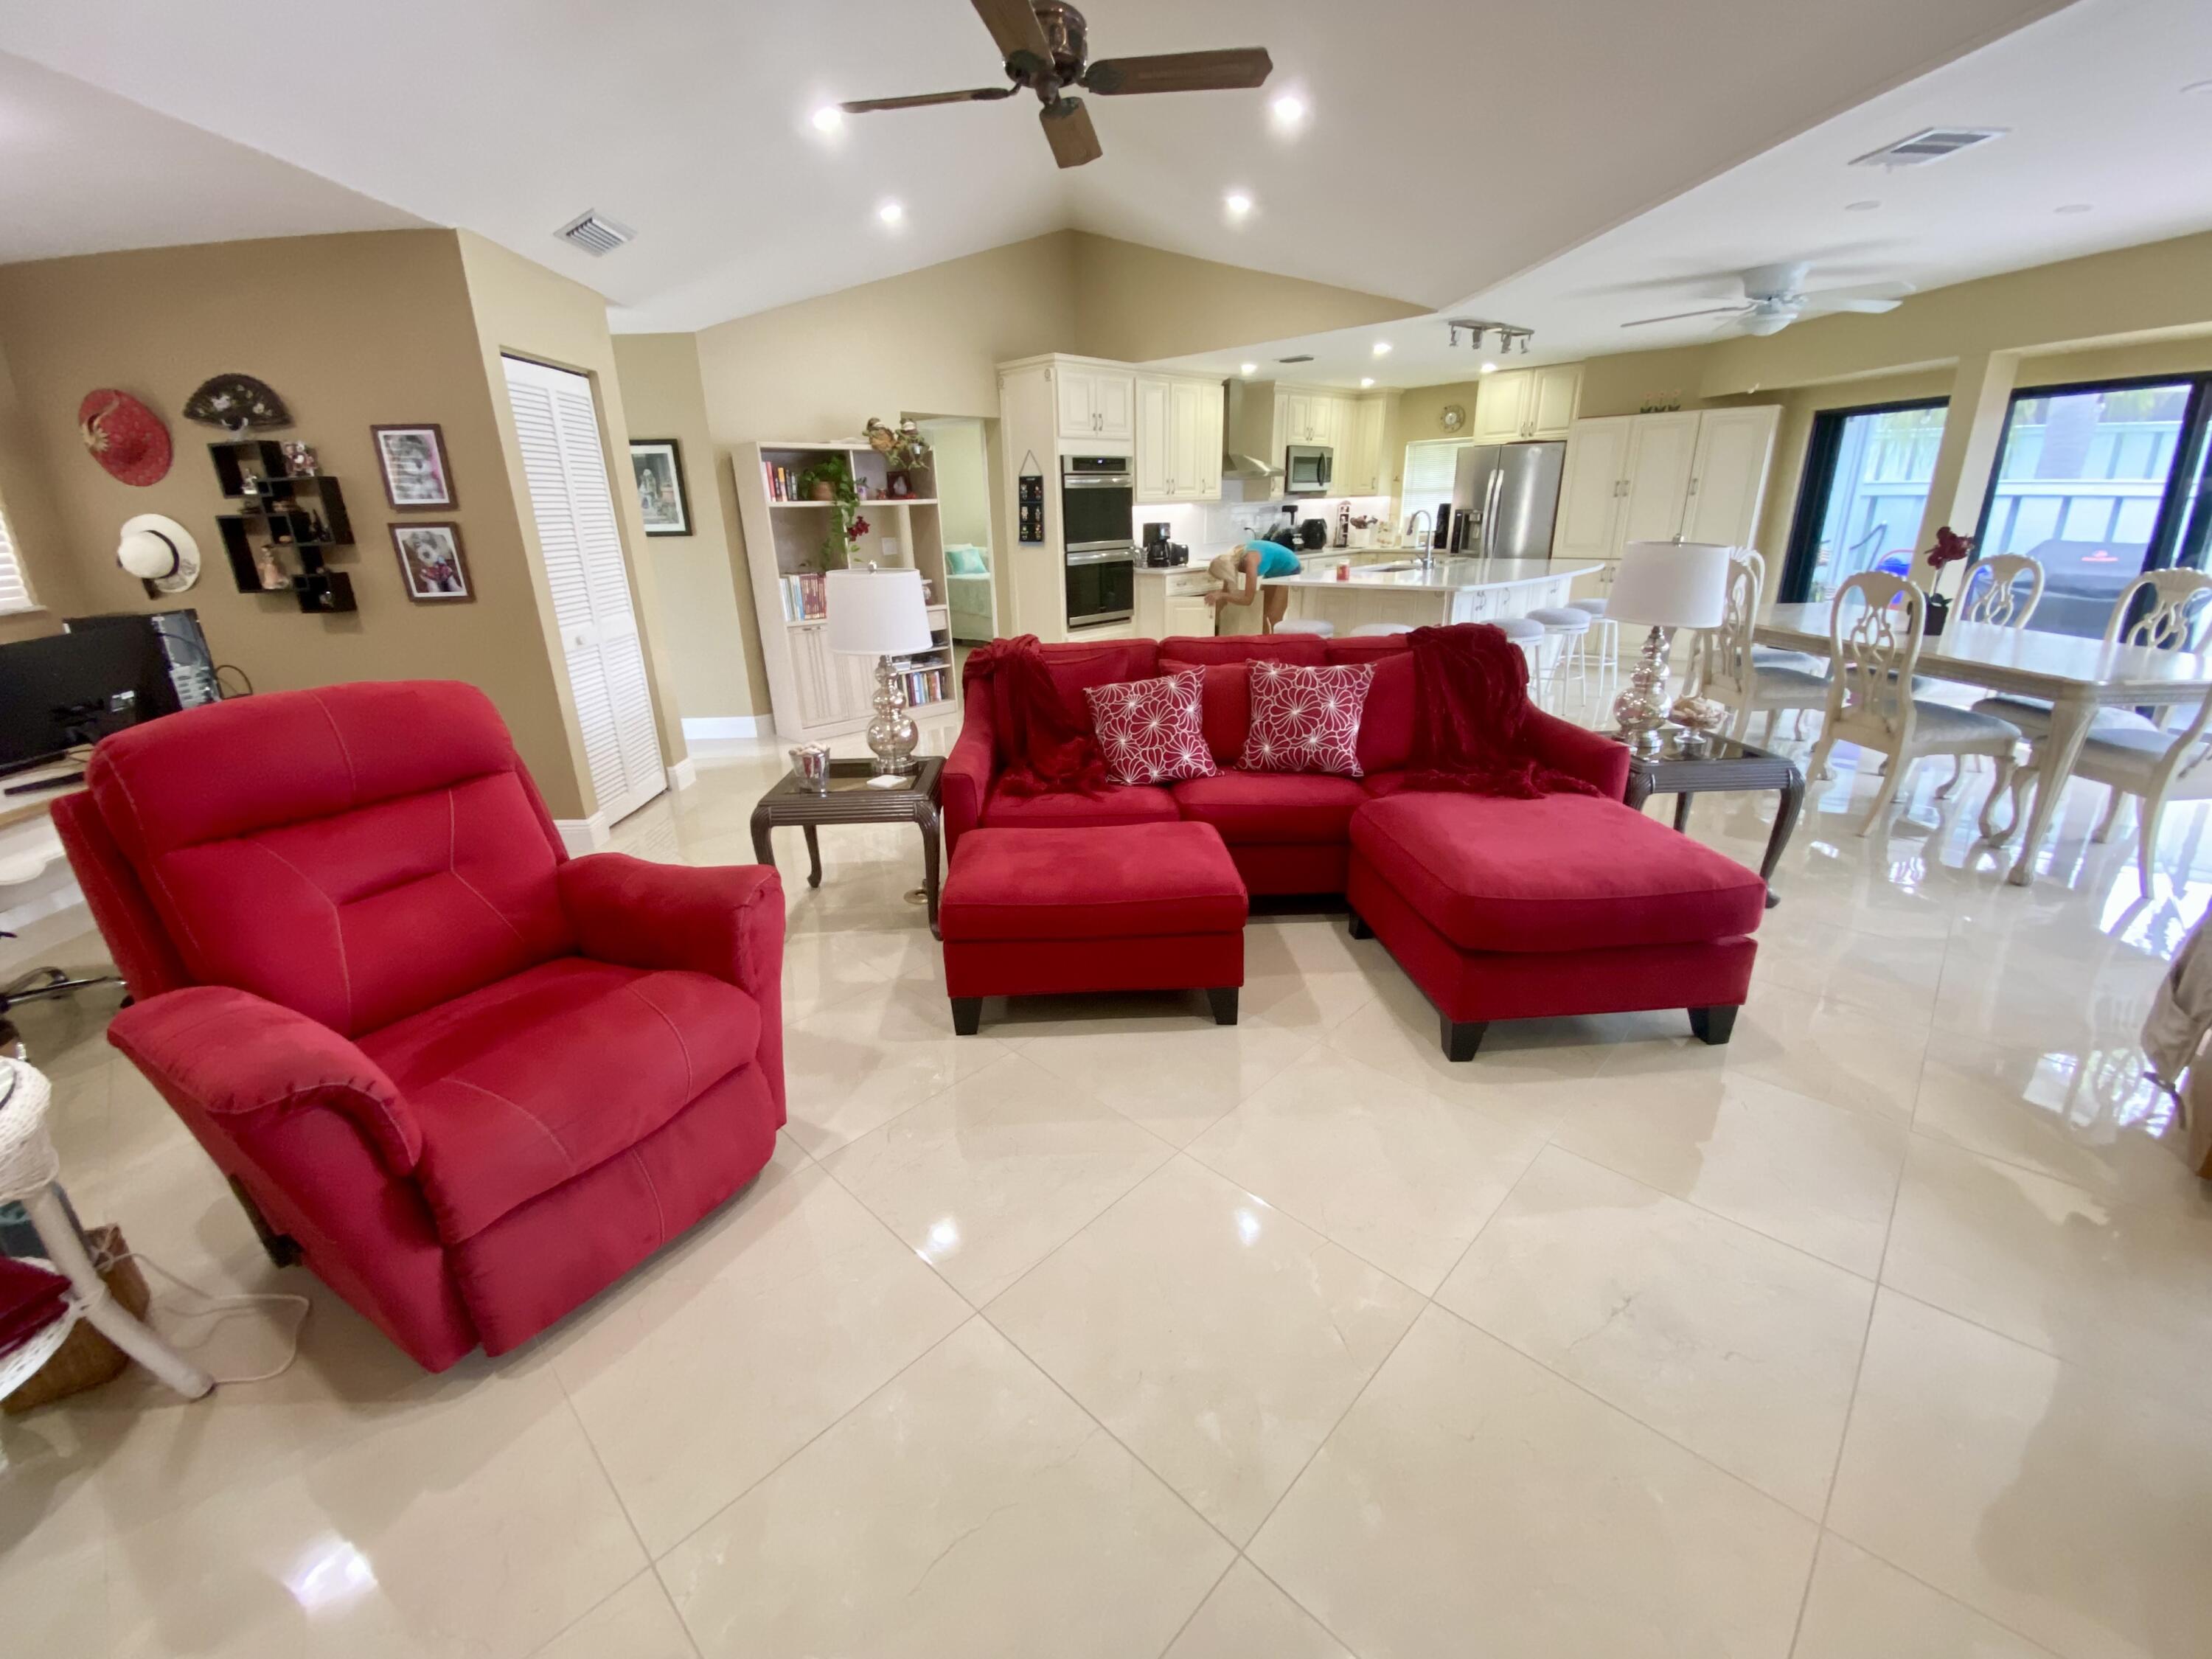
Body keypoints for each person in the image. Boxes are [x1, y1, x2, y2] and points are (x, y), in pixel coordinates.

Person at [1206, 538, 1302, 631]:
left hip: (1290, 569)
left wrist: (1222, 595)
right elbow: (1225, 591)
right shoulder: (1229, 561)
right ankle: (1265, 641)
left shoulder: (1250, 562)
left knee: (1274, 617)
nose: (1225, 580)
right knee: (1263, 614)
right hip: (1273, 572)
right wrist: (1216, 606)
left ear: (1227, 572)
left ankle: (1278, 642)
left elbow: (1248, 600)